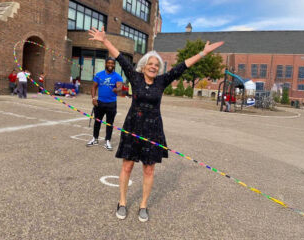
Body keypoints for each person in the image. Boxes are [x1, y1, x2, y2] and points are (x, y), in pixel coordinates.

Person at [88, 26, 224, 222]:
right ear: (143, 66)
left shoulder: (162, 81)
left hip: (153, 130)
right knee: (127, 167)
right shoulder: (134, 77)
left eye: (156, 65)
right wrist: (104, 41)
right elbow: (120, 57)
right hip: (133, 127)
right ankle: (123, 202)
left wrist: (203, 53)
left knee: (149, 169)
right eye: (150, 63)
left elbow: (183, 66)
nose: (153, 66)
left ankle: (143, 205)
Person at [86, 57, 123, 150]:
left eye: (112, 63)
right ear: (105, 64)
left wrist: (117, 89)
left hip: (111, 103)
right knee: (97, 122)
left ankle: (107, 141)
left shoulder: (117, 76)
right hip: (100, 103)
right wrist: (93, 98)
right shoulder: (99, 75)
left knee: (109, 123)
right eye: (109, 63)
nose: (110, 65)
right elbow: (93, 87)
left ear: (114, 65)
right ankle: (95, 138)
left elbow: (120, 86)